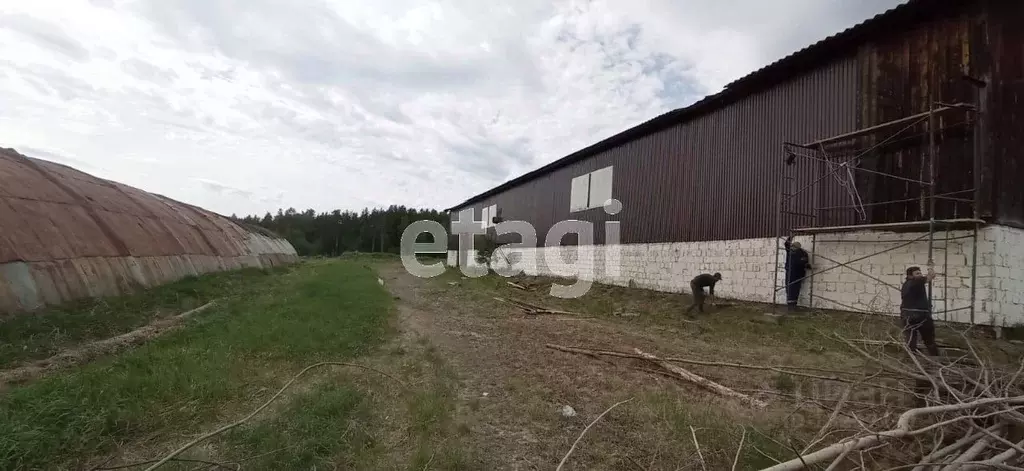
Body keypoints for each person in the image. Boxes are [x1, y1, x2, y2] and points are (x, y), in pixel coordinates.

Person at [901, 266, 940, 356]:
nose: (920, 275)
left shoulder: (906, 284)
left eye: (920, 273)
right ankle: (935, 358)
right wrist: (930, 266)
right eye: (917, 273)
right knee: (929, 340)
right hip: (920, 316)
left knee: (911, 341)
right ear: (910, 276)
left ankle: (911, 360)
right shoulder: (916, 282)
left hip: (906, 316)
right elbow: (932, 275)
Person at [784, 235, 812, 312]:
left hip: (798, 274)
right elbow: (786, 244)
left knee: (795, 289)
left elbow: (805, 263)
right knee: (789, 289)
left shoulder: (802, 253)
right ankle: (790, 307)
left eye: (794, 247)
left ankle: (793, 306)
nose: (792, 249)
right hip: (790, 273)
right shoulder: (790, 251)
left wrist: (808, 266)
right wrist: (790, 237)